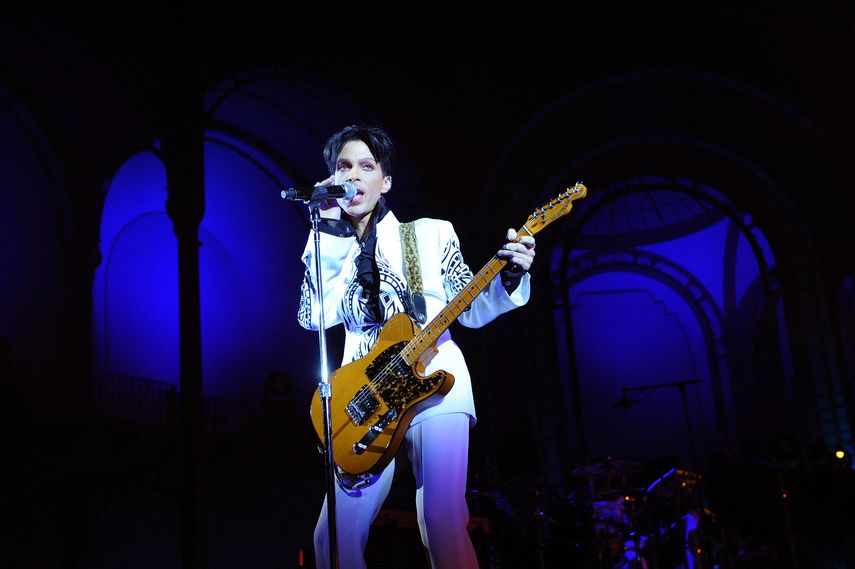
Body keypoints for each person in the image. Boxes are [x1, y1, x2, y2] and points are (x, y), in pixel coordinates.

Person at [297, 124, 535, 569]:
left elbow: (470, 307)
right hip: (366, 400)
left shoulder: (429, 234)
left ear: (386, 181)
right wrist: (326, 233)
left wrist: (511, 276)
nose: (353, 175)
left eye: (366, 166)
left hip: (435, 382)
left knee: (440, 519)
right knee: (330, 537)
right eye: (343, 167)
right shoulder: (330, 247)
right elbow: (312, 316)